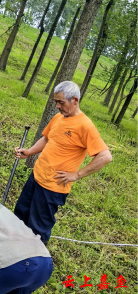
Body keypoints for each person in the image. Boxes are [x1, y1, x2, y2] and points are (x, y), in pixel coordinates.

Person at [14, 81, 112, 246]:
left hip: (53, 186)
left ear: (75, 100)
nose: (57, 106)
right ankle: (14, 247)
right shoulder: (58, 117)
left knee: (38, 228)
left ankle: (34, 262)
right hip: (37, 176)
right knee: (20, 214)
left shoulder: (85, 126)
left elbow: (105, 156)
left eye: (61, 102)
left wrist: (77, 175)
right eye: (56, 101)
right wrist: (30, 152)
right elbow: (47, 138)